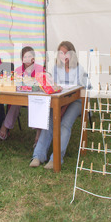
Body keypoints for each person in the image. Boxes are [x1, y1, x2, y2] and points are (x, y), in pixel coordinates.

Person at [30, 41, 89, 169]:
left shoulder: (79, 69)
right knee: (50, 122)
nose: (63, 56)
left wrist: (62, 106)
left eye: (66, 53)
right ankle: (38, 156)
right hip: (58, 100)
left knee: (64, 124)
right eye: (61, 53)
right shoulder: (55, 68)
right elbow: (53, 85)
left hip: (76, 101)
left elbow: (77, 89)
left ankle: (56, 158)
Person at [0, 46, 44, 141]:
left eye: (29, 56)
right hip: (21, 95)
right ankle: (5, 125)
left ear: (33, 58)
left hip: (36, 96)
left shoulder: (40, 68)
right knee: (16, 102)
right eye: (25, 57)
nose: (27, 59)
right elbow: (15, 84)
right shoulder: (18, 70)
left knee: (37, 103)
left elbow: (42, 83)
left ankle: (38, 132)